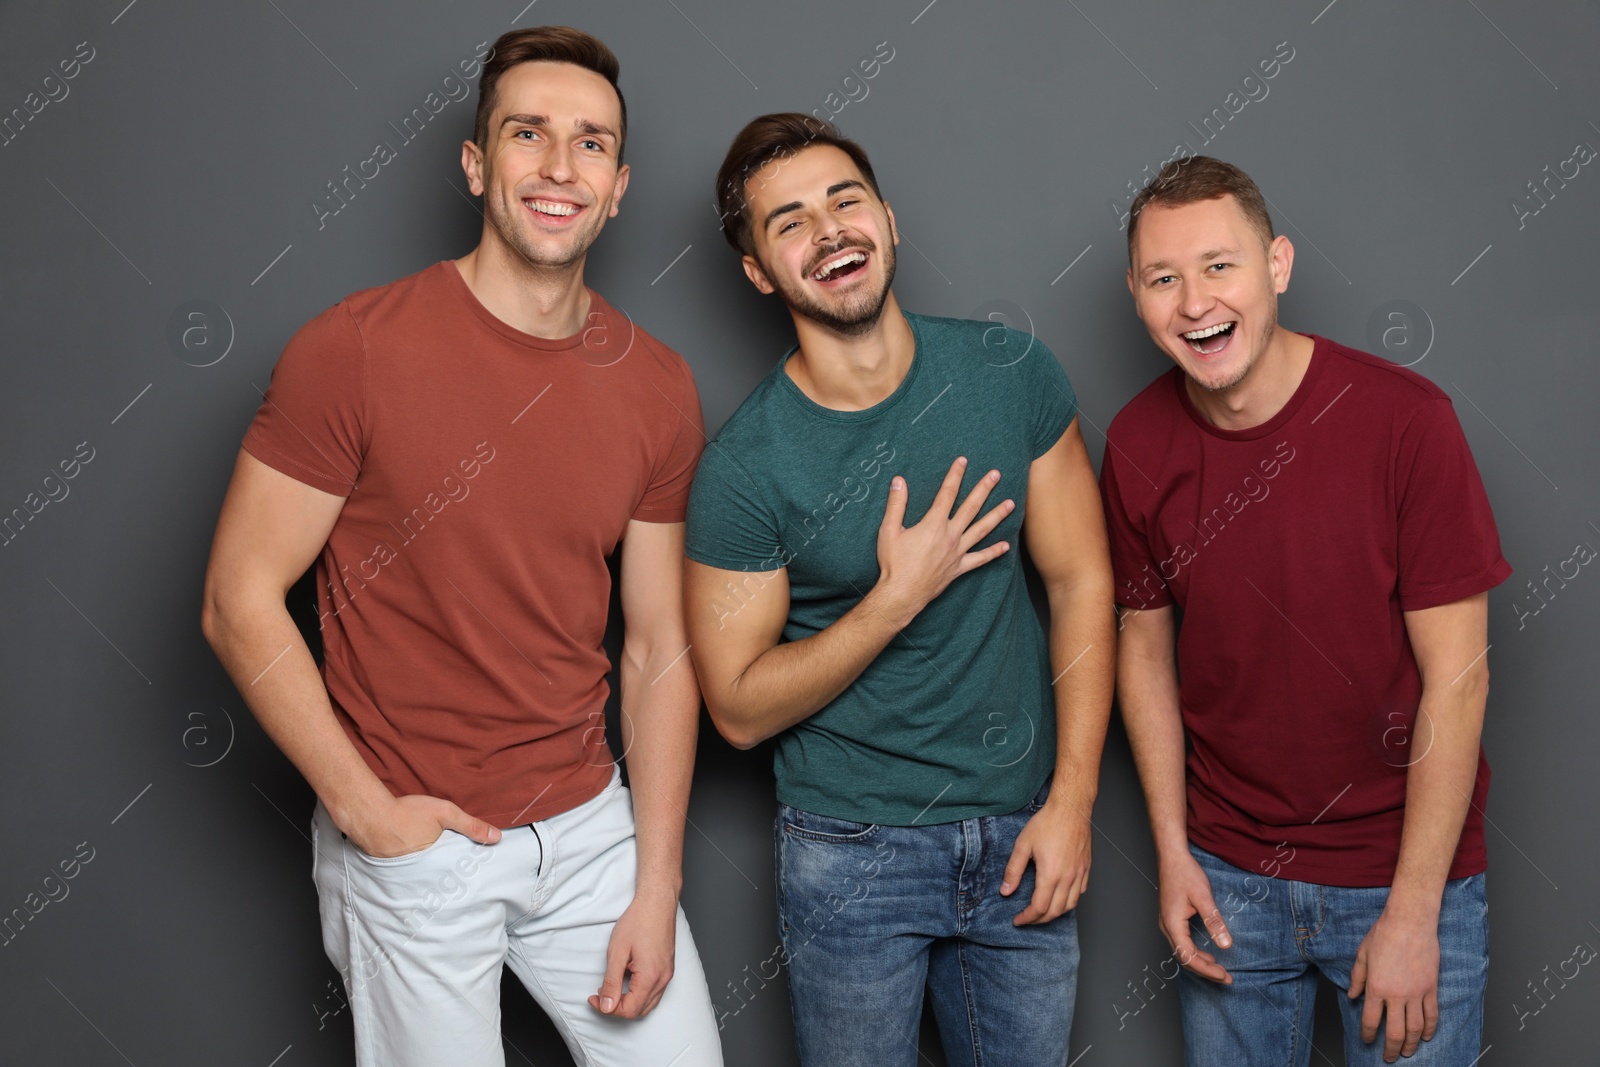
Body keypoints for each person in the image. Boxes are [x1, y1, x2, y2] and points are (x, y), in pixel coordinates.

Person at [200, 26, 722, 1067]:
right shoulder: (350, 349)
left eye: (591, 144)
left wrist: (654, 880)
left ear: (618, 184)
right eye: (528, 135)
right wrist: (367, 812)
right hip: (418, 835)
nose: (559, 167)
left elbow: (659, 643)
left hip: (588, 831)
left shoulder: (657, 384)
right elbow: (238, 597)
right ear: (478, 164)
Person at [682, 112, 1114, 1067]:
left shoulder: (1010, 374)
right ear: (758, 269)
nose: (829, 229)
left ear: (887, 218)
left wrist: (1074, 798)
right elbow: (739, 709)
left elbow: (1083, 577)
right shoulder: (745, 467)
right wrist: (892, 598)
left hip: (1022, 829)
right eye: (788, 221)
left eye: (845, 201)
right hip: (850, 853)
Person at [1102, 155, 1509, 1065]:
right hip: (1228, 882)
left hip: (1399, 872)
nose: (1195, 300)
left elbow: (1459, 679)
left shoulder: (1407, 422)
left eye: (1220, 265)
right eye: (1164, 278)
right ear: (1136, 295)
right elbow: (1143, 653)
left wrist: (1414, 910)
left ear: (1277, 264)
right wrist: (1173, 851)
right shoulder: (1135, 441)